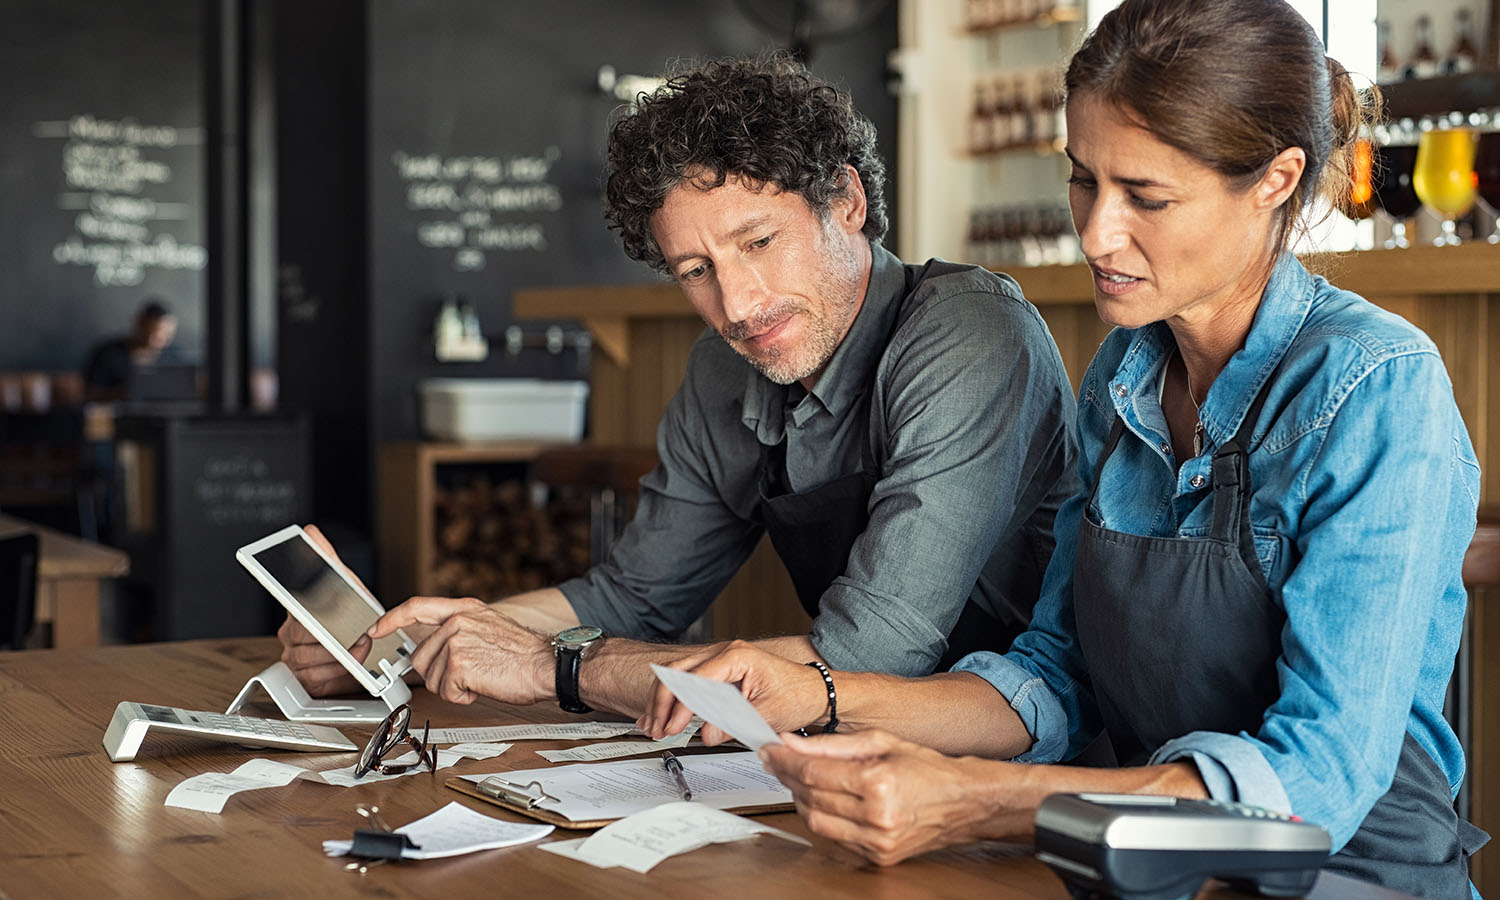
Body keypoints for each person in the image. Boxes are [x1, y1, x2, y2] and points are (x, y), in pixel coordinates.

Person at [643, 2, 1487, 896]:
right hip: (1145, 869)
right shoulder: (1125, 372)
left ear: (1275, 180)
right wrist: (809, 691)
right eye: (1084, 180)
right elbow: (1056, 674)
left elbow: (1317, 784)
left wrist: (982, 800)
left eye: (1147, 198)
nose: (1095, 233)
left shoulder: (1377, 388)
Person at [279, 55, 1078, 718]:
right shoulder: (724, 367)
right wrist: (408, 640)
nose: (737, 305)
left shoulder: (969, 334)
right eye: (696, 271)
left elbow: (867, 657)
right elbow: (634, 595)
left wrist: (555, 668)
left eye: (759, 241)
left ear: (847, 202)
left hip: (1029, 755)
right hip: (857, 758)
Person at [81, 300, 178, 401]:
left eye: (166, 334)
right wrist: (126, 393)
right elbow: (89, 393)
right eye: (154, 333)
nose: (160, 339)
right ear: (140, 323)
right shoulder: (108, 353)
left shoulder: (175, 357)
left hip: (164, 414)